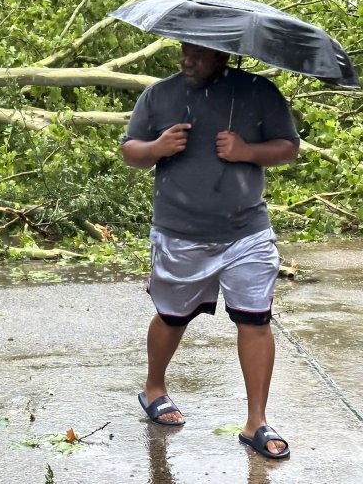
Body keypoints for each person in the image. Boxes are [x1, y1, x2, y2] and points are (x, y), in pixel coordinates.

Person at [121, 42, 300, 460]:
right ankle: (154, 388)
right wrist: (155, 148)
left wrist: (247, 152)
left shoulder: (259, 92)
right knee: (172, 316)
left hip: (247, 232)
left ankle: (256, 422)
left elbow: (288, 148)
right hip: (179, 232)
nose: (187, 60)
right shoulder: (159, 95)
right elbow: (130, 149)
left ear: (224, 55)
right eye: (185, 51)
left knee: (256, 321)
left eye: (199, 55)